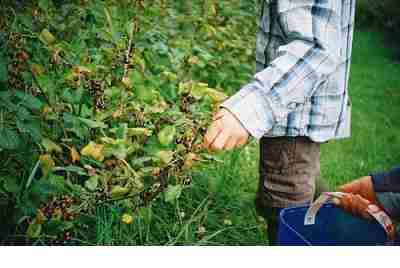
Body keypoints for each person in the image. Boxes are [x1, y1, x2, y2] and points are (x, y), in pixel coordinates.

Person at [203, 0, 356, 245]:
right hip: (306, 112)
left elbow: (316, 48)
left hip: (293, 117)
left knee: (286, 209)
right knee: (304, 190)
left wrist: (249, 110)